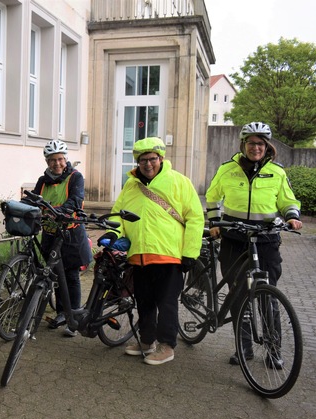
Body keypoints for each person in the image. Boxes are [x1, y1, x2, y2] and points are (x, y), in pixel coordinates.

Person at [98, 137, 203, 365]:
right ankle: (147, 341)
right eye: (143, 160)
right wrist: (114, 234)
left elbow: (195, 217)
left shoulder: (179, 182)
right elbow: (118, 214)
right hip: (139, 255)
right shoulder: (131, 185)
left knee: (166, 302)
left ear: (161, 158)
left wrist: (190, 253)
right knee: (144, 300)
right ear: (137, 162)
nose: (148, 164)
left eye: (152, 159)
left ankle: (166, 346)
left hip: (169, 255)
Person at [205, 122, 302, 367]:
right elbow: (214, 196)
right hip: (234, 239)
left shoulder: (277, 172)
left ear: (267, 147)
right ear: (243, 145)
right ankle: (244, 348)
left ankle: (273, 350)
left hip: (266, 240)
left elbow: (287, 199)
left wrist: (292, 216)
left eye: (260, 143)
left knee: (267, 297)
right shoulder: (228, 169)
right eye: (251, 143)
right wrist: (215, 222)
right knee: (238, 295)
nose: (255, 147)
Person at [33, 139, 93, 337]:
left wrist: (56, 211)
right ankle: (61, 312)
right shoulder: (43, 181)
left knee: (71, 275)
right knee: (56, 275)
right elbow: (34, 199)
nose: (56, 163)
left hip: (71, 233)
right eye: (51, 160)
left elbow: (76, 200)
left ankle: (73, 318)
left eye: (59, 159)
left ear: (66, 159)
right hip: (51, 233)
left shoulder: (76, 177)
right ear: (46, 161)